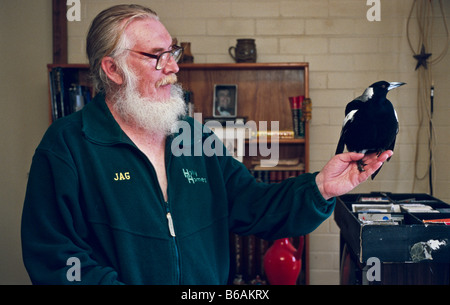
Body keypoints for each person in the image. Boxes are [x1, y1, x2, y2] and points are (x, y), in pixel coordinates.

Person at [21, 4, 393, 285]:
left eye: (173, 53)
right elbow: (55, 258)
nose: (173, 68)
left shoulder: (193, 136)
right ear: (113, 70)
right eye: (157, 56)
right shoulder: (67, 147)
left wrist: (320, 188)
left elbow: (254, 205)